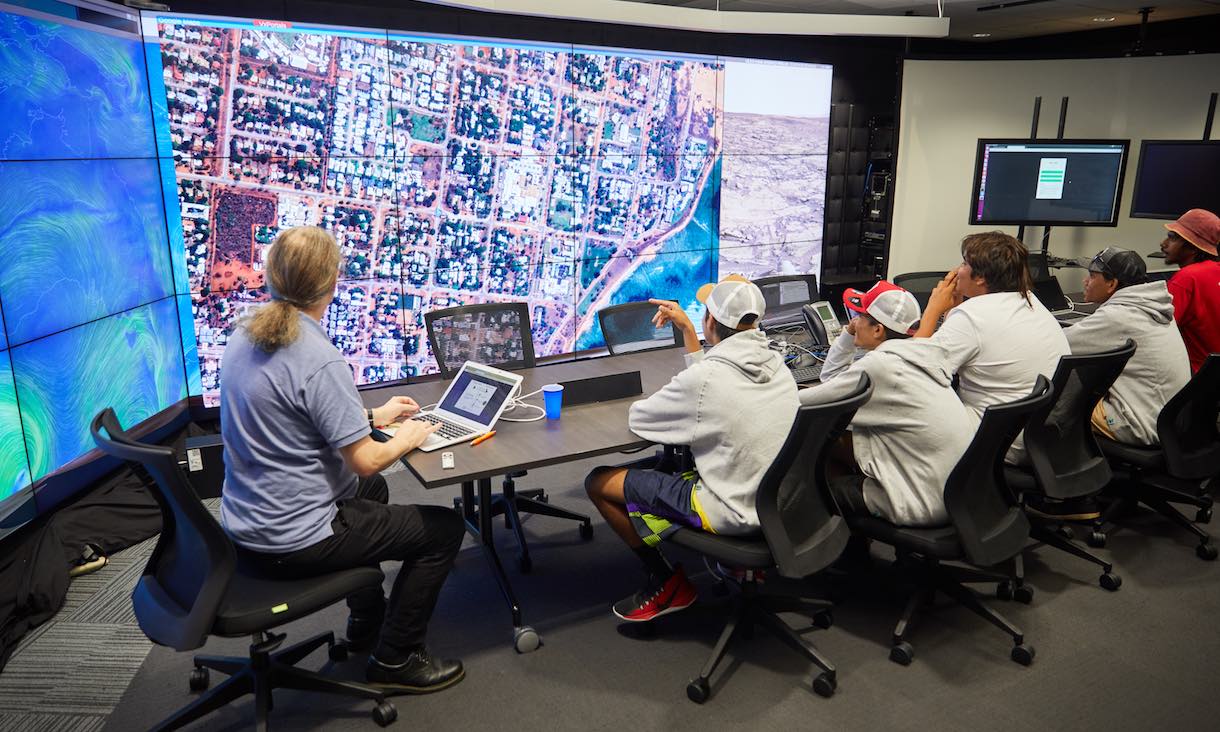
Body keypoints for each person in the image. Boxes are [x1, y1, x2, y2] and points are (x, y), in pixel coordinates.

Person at [219, 226, 466, 695]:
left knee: (372, 497)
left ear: (273, 276)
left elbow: (292, 414)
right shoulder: (318, 357)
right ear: (332, 282)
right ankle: (397, 657)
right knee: (443, 531)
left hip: (245, 522)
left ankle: (365, 617)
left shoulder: (243, 335)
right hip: (295, 537)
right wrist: (409, 435)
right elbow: (367, 461)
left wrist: (370, 414)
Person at [584, 275, 798, 622]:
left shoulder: (706, 380)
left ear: (710, 321)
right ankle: (732, 567)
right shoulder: (776, 363)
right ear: (753, 321)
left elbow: (642, 420)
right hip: (779, 502)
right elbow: (711, 391)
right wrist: (690, 338)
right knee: (668, 465)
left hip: (731, 509)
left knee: (599, 482)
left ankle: (668, 583)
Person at [808, 281, 978, 527]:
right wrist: (848, 333)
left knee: (815, 473)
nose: (855, 321)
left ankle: (842, 560)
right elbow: (833, 380)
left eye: (859, 316)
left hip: (919, 501)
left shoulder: (881, 367)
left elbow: (808, 406)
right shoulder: (923, 354)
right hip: (956, 494)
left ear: (878, 330)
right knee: (840, 447)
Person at [915, 231, 1069, 464]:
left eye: (964, 263)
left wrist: (932, 310)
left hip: (995, 441)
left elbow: (912, 372)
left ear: (981, 278)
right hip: (1039, 437)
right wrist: (951, 313)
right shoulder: (1029, 300)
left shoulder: (972, 316)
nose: (957, 270)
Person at [1067, 246, 1190, 445]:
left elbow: (1056, 345)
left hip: (1139, 424)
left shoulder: (1118, 316)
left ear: (1112, 284)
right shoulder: (1154, 308)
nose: (1085, 281)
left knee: (1058, 403)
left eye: (1092, 275)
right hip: (1168, 420)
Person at [1160, 208, 1220, 373]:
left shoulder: (1187, 278)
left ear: (1193, 247)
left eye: (1172, 238)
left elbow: (1160, 332)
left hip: (1196, 378)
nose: (1163, 243)